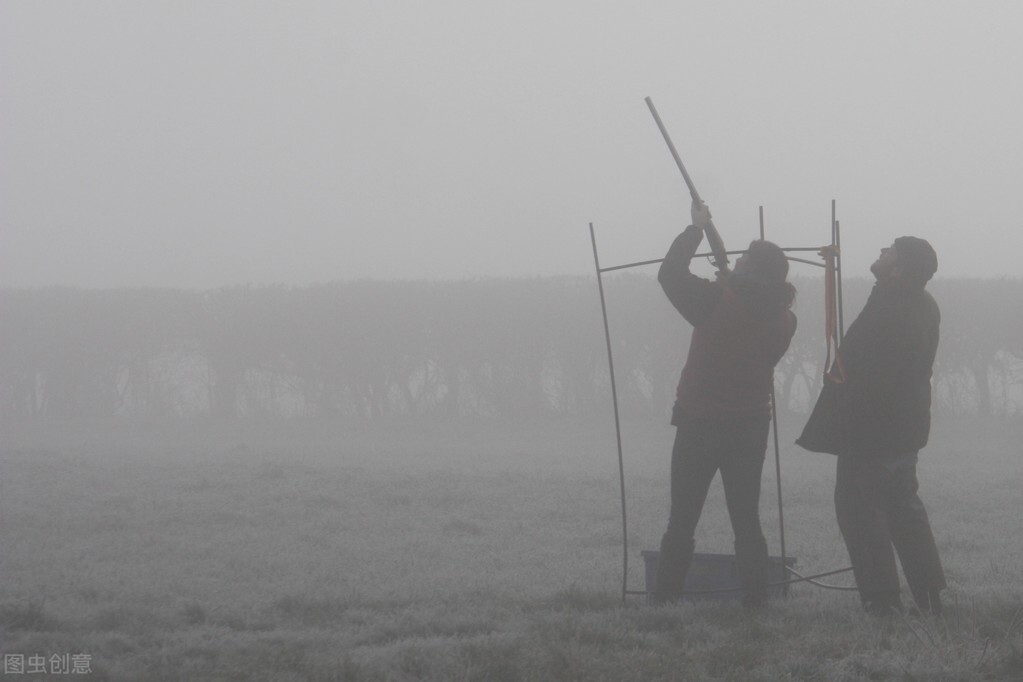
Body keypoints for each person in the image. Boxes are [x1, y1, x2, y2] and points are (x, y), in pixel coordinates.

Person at [653, 201, 797, 608]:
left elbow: (669, 274)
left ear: (752, 269)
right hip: (751, 426)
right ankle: (757, 600)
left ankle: (665, 600)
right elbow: (755, 328)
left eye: (745, 257)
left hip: (699, 422)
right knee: (747, 519)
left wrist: (695, 229)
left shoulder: (716, 299)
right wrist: (731, 284)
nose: (738, 259)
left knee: (682, 519)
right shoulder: (786, 319)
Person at [797, 236, 945, 616]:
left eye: (891, 249)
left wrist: (848, 414)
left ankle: (883, 603)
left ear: (899, 268)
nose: (881, 250)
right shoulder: (922, 304)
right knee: (905, 512)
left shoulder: (890, 305)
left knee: (860, 512)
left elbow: (872, 373)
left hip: (872, 431)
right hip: (904, 429)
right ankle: (931, 597)